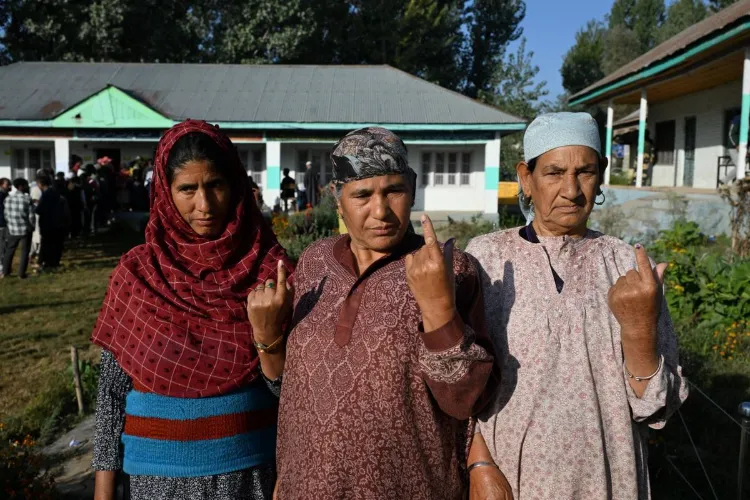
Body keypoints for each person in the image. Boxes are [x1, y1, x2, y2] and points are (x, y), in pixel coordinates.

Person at [465, 112, 688, 500]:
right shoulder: (486, 258)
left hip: (609, 476)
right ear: (525, 178)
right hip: (510, 479)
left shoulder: (627, 266)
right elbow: (458, 381)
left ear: (600, 173)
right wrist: (478, 462)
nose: (571, 190)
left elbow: (655, 408)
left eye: (584, 171)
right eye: (553, 173)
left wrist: (637, 328)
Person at [272, 127, 498, 499]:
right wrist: (288, 471)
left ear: (412, 186)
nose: (380, 211)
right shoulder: (315, 262)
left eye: (393, 191)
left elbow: (465, 401)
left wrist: (437, 309)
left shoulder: (450, 269)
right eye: (362, 194)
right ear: (338, 199)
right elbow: (298, 389)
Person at [91, 120, 294, 500]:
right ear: (164, 195)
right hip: (154, 483)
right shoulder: (137, 275)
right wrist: (104, 492)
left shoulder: (271, 271)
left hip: (249, 476)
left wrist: (267, 337)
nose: (204, 205)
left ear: (234, 186)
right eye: (188, 189)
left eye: (215, 185)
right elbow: (111, 396)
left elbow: (293, 393)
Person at [2, 178, 35, 279]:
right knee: (25, 251)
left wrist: (10, 224)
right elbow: (31, 216)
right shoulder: (26, 199)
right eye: (25, 185)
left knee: (9, 250)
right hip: (24, 229)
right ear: (21, 186)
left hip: (12, 229)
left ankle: (5, 271)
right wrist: (32, 226)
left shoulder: (8, 198)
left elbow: (6, 214)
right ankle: (21, 274)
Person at [35, 174, 67, 270]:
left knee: (47, 243)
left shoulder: (46, 194)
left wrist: (37, 208)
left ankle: (48, 262)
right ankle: (54, 261)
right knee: (56, 243)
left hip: (48, 222)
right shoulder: (55, 192)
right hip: (58, 221)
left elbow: (40, 209)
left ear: (40, 184)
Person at [0, 178, 11, 276]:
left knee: (4, 245)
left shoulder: (6, 195)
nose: (9, 186)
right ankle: (2, 267)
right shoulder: (2, 195)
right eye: (7, 184)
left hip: (5, 223)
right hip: (2, 224)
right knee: (2, 246)